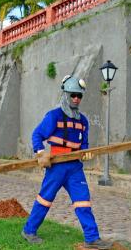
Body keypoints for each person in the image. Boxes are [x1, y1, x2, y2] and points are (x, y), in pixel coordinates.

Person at [21, 75, 113, 249]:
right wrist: (41, 153)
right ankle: (29, 231)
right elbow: (37, 135)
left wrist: (85, 154)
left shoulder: (83, 121)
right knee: (45, 199)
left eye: (79, 96)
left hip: (74, 168)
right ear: (65, 94)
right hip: (56, 166)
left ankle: (92, 238)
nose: (76, 99)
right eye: (73, 95)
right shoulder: (54, 116)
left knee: (83, 201)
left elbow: (84, 145)